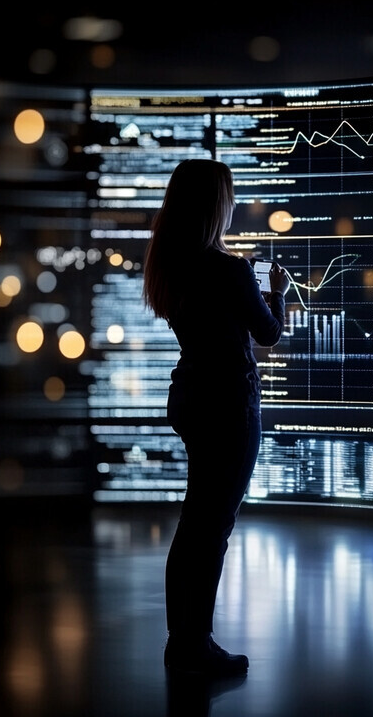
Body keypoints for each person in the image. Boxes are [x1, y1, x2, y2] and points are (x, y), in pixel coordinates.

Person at [142, 158, 289, 677]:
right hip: (229, 405)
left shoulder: (171, 264)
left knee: (193, 524)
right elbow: (267, 333)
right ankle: (196, 647)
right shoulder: (231, 269)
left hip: (191, 399)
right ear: (215, 206)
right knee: (214, 528)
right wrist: (281, 296)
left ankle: (180, 641)